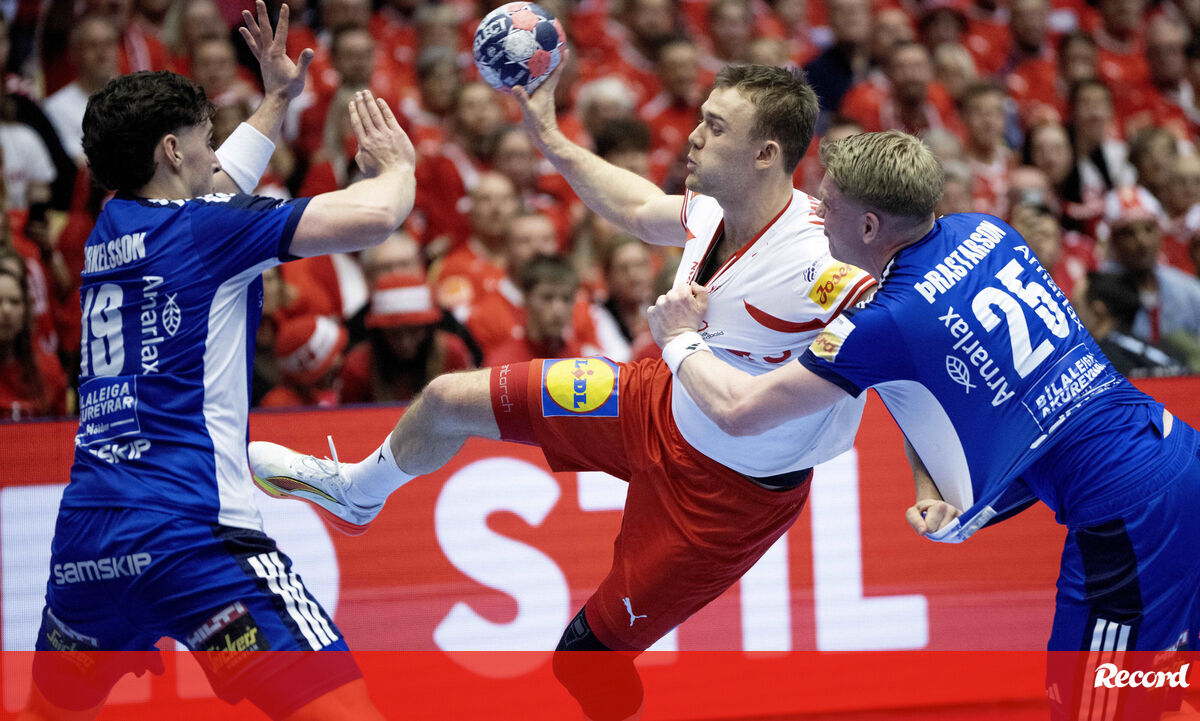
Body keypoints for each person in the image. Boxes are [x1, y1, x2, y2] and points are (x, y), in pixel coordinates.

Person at [248, 62, 876, 721]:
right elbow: (636, 207)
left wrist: (935, 481)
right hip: (651, 401)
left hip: (725, 502)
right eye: (699, 119)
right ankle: (357, 493)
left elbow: (907, 339)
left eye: (715, 128)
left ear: (765, 154)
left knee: (582, 661)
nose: (693, 136)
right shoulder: (716, 207)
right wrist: (548, 134)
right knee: (445, 399)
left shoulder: (822, 261)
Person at [646, 129, 1200, 721]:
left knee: (1093, 708)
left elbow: (738, 411)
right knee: (1166, 691)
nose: (816, 217)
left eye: (827, 205)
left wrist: (678, 339)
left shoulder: (885, 323)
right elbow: (985, 402)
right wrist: (940, 490)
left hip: (1129, 513)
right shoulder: (989, 231)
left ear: (868, 227)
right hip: (1173, 450)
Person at [22, 2, 415, 719]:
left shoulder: (112, 224)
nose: (215, 155)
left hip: (86, 547)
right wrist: (397, 167)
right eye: (206, 140)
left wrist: (277, 99)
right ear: (172, 151)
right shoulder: (207, 231)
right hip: (191, 538)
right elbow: (376, 217)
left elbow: (215, 186)